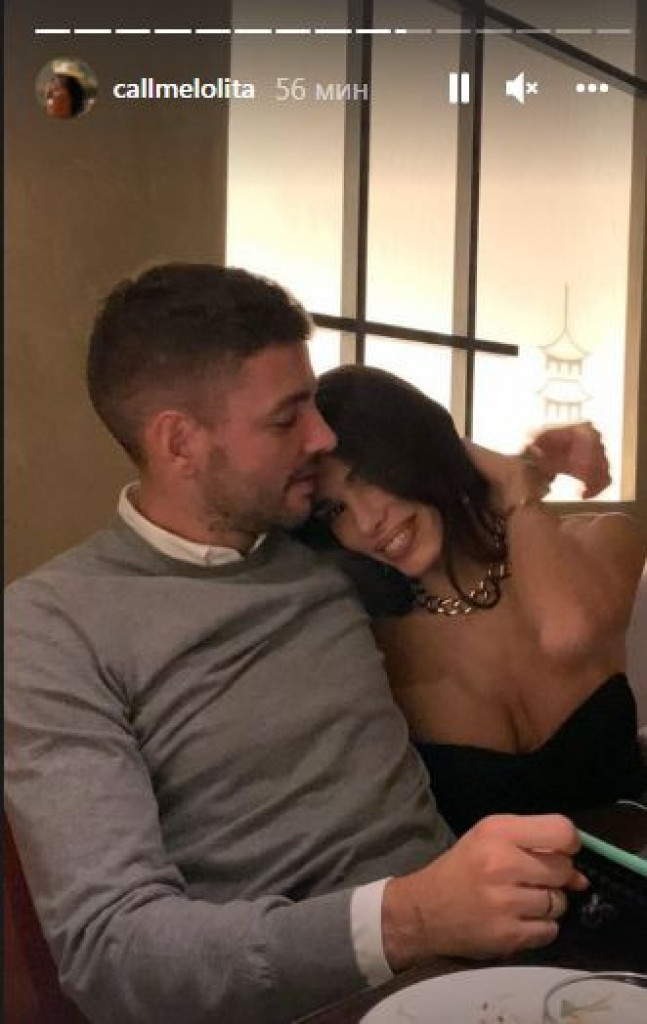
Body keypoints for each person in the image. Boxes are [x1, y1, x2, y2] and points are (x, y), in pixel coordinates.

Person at [6, 264, 596, 1024]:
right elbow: (113, 954)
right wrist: (410, 917)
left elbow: (427, 491)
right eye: (286, 419)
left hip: (480, 960)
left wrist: (529, 467)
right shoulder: (53, 626)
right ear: (180, 442)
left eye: (313, 402)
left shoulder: (326, 550)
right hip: (309, 1001)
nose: (322, 437)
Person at [307, 364, 647, 837]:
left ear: (417, 449)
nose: (366, 523)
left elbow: (566, 632)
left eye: (369, 476)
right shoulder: (375, 640)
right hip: (476, 889)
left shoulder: (602, 539)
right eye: (335, 509)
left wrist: (514, 483)